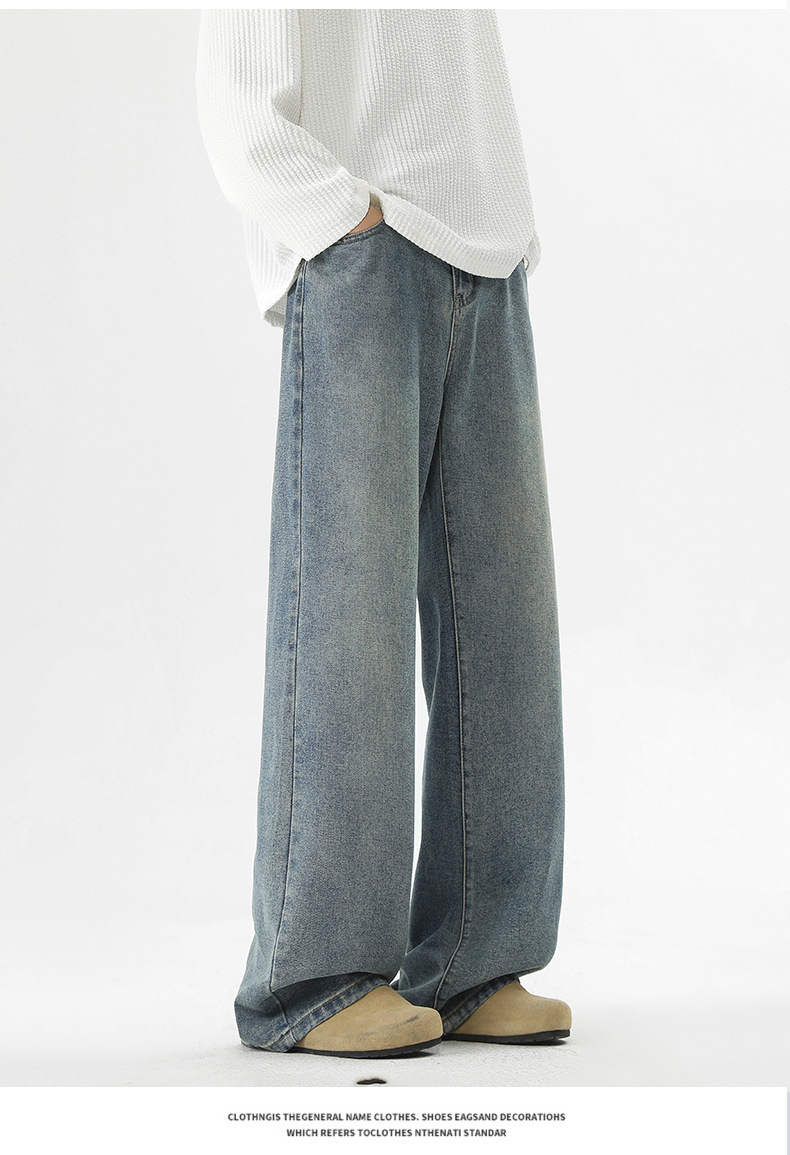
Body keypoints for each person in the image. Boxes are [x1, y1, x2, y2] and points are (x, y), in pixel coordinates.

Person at [196, 8, 571, 1059]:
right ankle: (313, 980)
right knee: (346, 622)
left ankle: (475, 960)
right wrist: (341, 219)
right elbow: (237, 101)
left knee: (505, 628)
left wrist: (502, 227)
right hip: (364, 251)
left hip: (485, 252)